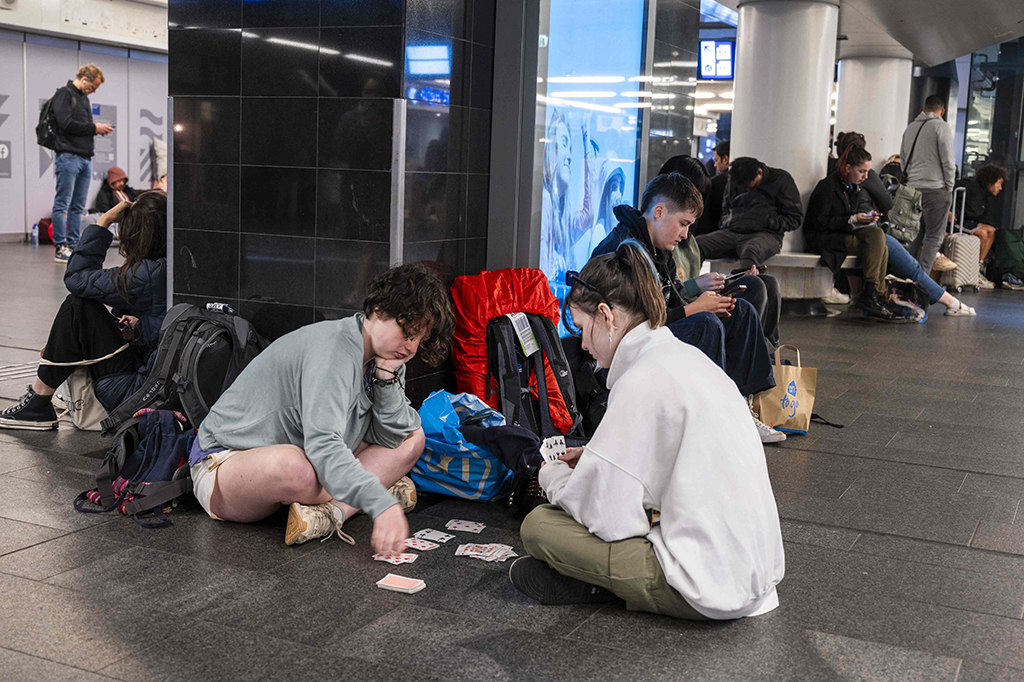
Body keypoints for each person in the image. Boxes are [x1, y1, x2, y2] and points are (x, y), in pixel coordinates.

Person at [510, 240, 785, 619]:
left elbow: (610, 519)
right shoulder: (683, 358)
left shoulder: (640, 380)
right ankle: (594, 579)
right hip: (756, 576)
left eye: (582, 326)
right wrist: (595, 458)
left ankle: (601, 583)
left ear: (606, 316)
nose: (584, 344)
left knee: (540, 526)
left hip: (705, 587)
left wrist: (551, 474)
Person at [187, 265, 455, 556]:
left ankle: (333, 514)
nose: (411, 347)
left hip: (309, 456)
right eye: (406, 331)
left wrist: (386, 382)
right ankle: (361, 496)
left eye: (419, 338)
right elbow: (322, 445)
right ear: (378, 309)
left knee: (412, 437)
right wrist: (382, 504)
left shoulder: (386, 356)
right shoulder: (334, 350)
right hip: (225, 464)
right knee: (295, 469)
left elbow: (391, 436)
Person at [592, 173, 786, 443]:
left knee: (739, 311)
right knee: (705, 323)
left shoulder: (659, 249)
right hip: (627, 343)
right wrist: (696, 308)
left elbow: (669, 303)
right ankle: (711, 417)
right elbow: (634, 324)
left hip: (655, 330)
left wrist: (704, 302)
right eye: (683, 224)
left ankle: (737, 407)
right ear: (659, 212)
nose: (685, 235)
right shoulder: (623, 250)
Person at [0, 192, 168, 430]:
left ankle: (38, 402)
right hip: (159, 376)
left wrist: (102, 223)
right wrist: (140, 327)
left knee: (78, 306)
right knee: (93, 313)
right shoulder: (177, 263)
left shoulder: (148, 274)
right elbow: (170, 323)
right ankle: (45, 397)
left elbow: (77, 277)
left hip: (135, 390)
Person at [805, 147, 975, 319]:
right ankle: (875, 293)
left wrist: (858, 219)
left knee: (878, 237)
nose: (866, 176)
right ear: (848, 168)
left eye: (868, 171)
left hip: (846, 232)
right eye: (862, 171)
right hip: (828, 238)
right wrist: (853, 219)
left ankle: (874, 293)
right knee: (885, 246)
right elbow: (819, 222)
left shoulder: (852, 186)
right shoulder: (829, 187)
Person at [657, 154, 781, 351]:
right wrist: (698, 286)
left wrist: (719, 283)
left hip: (690, 302)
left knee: (766, 283)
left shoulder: (683, 239)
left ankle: (767, 349)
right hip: (685, 312)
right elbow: (670, 297)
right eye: (683, 223)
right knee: (754, 286)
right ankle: (758, 350)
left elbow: (681, 286)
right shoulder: (655, 243)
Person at [49, 64, 114, 264]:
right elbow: (65, 123)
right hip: (68, 156)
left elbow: (80, 127)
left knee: (77, 206)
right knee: (62, 203)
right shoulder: (64, 94)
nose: (94, 91)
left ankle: (74, 244)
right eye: (93, 86)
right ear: (84, 79)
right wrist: (94, 127)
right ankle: (60, 246)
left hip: (84, 158)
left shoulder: (84, 100)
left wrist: (94, 129)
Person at [696, 156, 803, 270]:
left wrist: (765, 221)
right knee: (698, 244)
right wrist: (731, 221)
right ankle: (686, 284)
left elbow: (795, 218)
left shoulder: (781, 180)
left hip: (767, 234)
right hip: (733, 232)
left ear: (759, 173)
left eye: (749, 185)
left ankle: (747, 286)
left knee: (751, 251)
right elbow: (725, 211)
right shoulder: (735, 180)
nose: (746, 189)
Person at [901, 95, 957, 274]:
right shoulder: (941, 126)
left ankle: (905, 276)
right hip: (935, 189)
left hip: (912, 188)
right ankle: (921, 279)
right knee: (934, 236)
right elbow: (948, 160)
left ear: (924, 109)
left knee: (913, 236)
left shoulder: (910, 128)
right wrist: (949, 186)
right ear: (942, 111)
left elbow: (903, 160)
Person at [953, 164, 1007, 288]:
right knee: (982, 233)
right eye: (999, 183)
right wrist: (950, 211)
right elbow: (952, 190)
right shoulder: (969, 186)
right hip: (957, 222)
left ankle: (978, 267)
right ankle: (973, 271)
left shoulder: (985, 197)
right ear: (990, 182)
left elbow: (983, 219)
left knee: (991, 231)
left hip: (969, 223)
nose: (1000, 188)